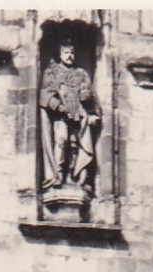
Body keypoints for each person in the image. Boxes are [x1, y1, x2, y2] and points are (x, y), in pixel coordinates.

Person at [39, 40, 100, 193]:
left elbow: (89, 96)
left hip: (78, 116)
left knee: (74, 145)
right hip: (60, 116)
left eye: (72, 53)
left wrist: (86, 96)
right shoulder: (52, 72)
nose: (70, 56)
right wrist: (59, 106)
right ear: (60, 55)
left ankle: (73, 176)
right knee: (61, 140)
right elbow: (45, 96)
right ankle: (58, 174)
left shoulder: (81, 74)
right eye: (66, 53)